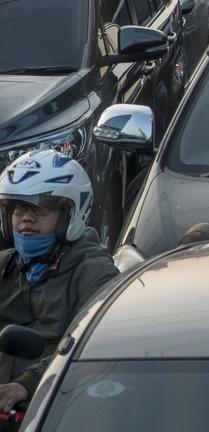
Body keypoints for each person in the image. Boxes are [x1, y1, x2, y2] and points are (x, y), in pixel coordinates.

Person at [0, 150, 119, 412]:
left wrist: (27, 384)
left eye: (39, 208)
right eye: (19, 208)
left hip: (60, 405)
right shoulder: (6, 265)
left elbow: (94, 346)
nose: (26, 218)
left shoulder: (93, 272)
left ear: (70, 214)